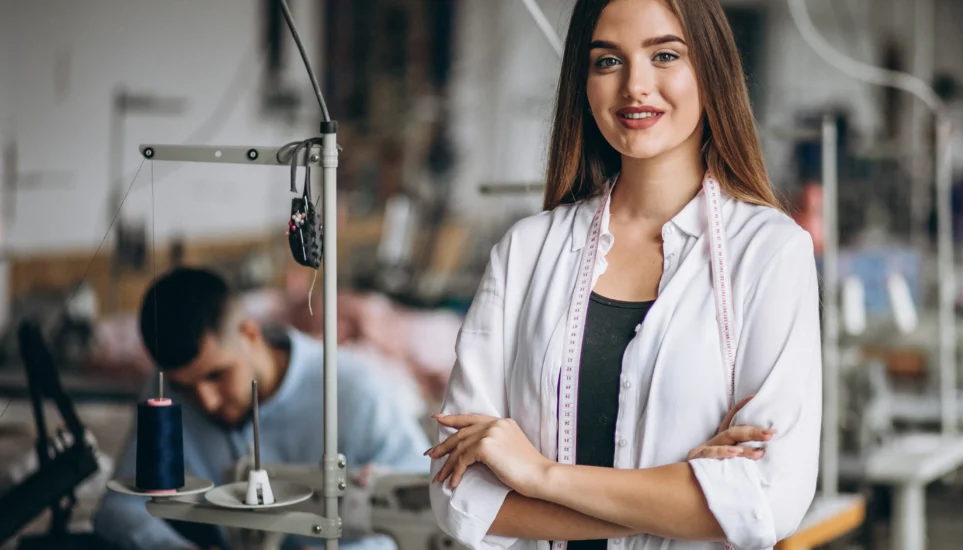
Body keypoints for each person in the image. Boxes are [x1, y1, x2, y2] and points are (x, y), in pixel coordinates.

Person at [426, 1, 821, 550]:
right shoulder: (526, 251)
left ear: (711, 70)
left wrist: (540, 476)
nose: (636, 85)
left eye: (664, 55)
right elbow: (457, 493)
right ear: (583, 84)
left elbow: (769, 498)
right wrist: (687, 499)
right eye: (607, 61)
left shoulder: (770, 252)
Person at [94, 267, 432, 550]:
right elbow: (120, 509)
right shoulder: (166, 395)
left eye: (217, 375)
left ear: (250, 333)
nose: (207, 401)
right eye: (187, 386)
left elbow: (425, 513)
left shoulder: (357, 394)